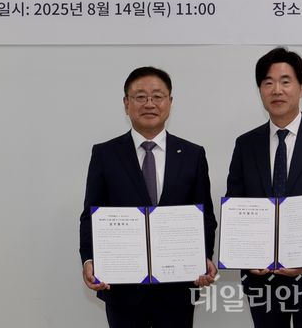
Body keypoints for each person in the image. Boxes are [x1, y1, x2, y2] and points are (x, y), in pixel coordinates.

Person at [79, 66, 218, 328]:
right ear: (126, 104)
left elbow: (205, 216)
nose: (149, 104)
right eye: (140, 97)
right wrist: (89, 259)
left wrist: (203, 257)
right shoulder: (105, 154)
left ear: (170, 102)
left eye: (158, 96)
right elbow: (91, 214)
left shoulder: (193, 154)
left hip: (177, 287)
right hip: (123, 288)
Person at [226, 48, 302, 328]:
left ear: (301, 88)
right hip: (261, 276)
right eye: (268, 82)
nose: (277, 90)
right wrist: (247, 255)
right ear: (260, 90)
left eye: (285, 81)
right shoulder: (246, 144)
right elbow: (236, 204)